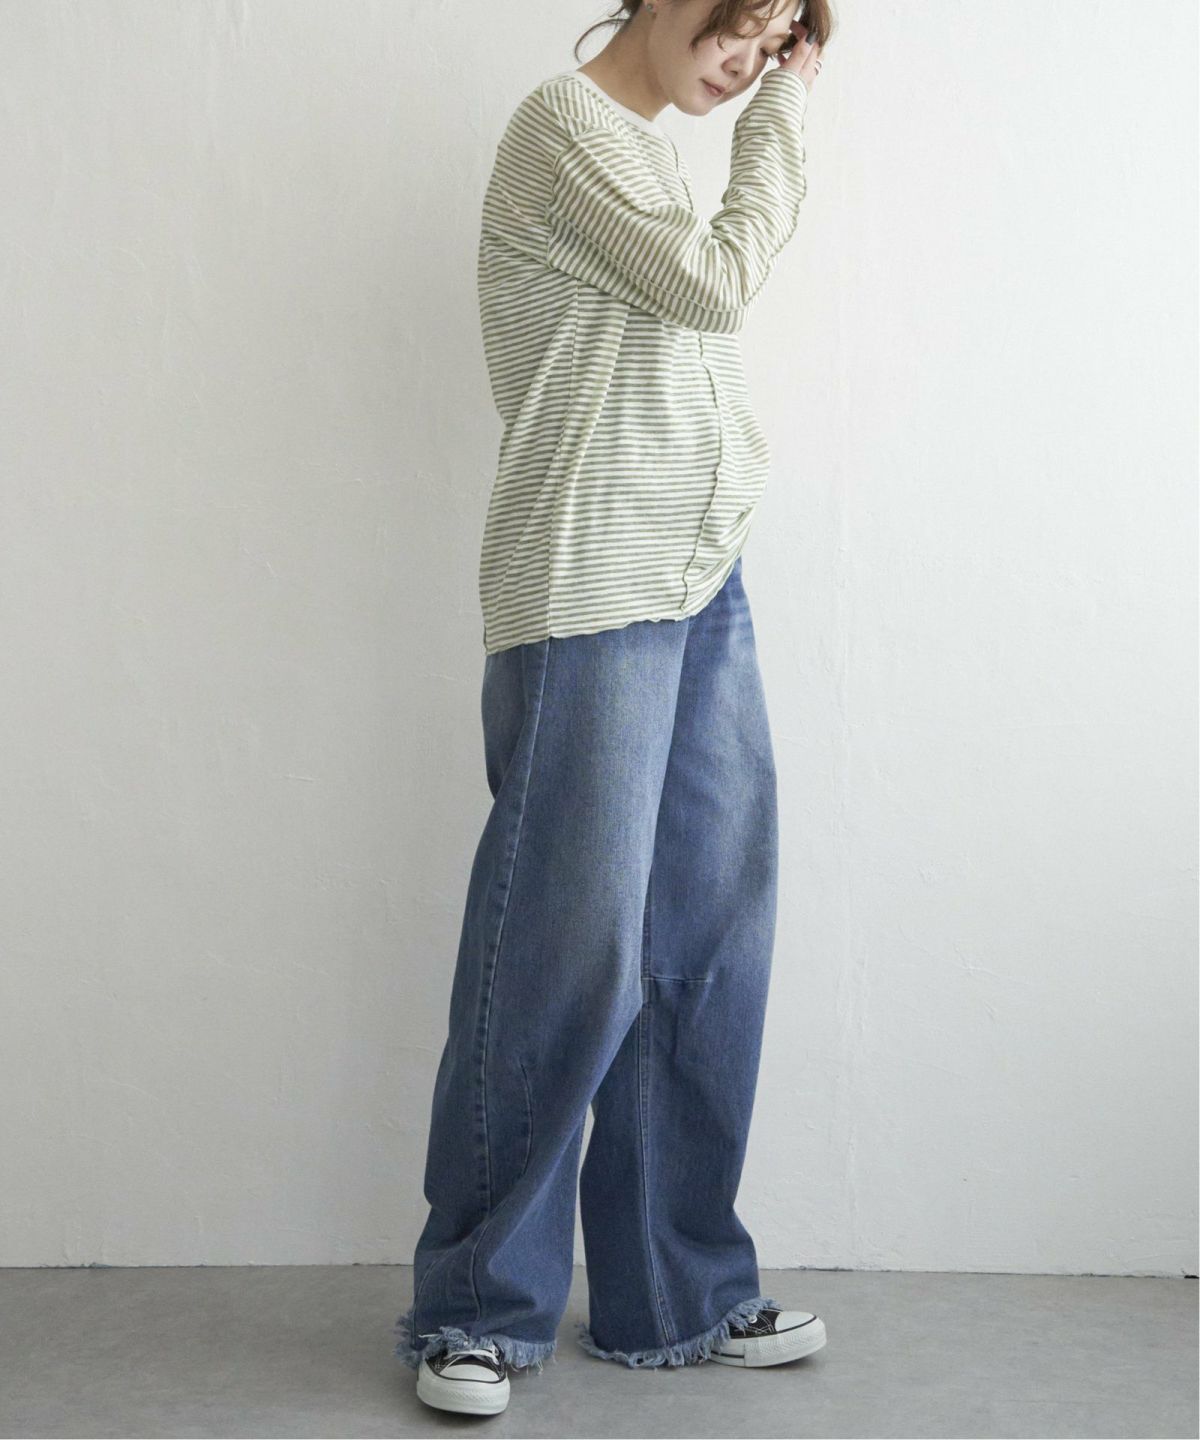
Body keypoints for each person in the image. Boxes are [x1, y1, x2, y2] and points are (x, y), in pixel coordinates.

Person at [394, 0, 832, 1416]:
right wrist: (787, 118)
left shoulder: (641, 153)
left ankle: (676, 1292)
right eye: (743, 26)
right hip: (589, 583)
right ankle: (478, 1309)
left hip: (699, 580)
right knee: (561, 953)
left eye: (777, 44)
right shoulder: (565, 128)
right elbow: (713, 285)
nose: (748, 62)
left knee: (704, 942)